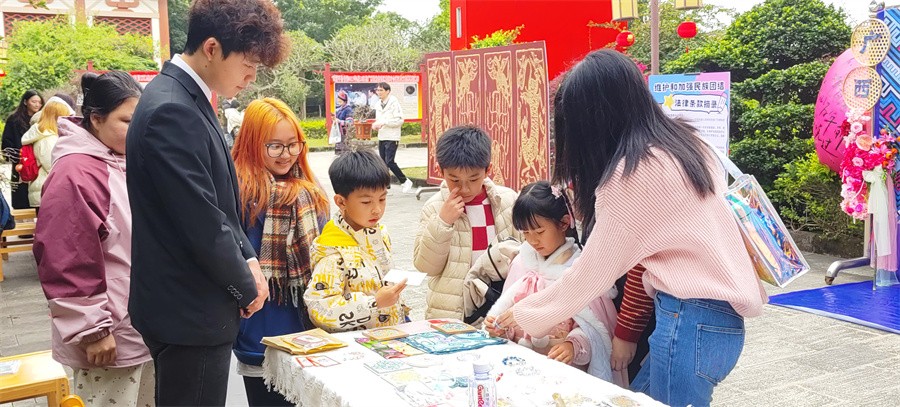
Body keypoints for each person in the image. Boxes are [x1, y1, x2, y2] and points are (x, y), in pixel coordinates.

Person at [494, 49, 766, 406]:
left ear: (592, 122)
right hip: (717, 319)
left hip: (689, 320)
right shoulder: (686, 142)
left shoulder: (632, 176)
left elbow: (592, 273)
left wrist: (527, 313)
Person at [125, 1, 287, 405]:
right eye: (248, 64)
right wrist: (246, 287)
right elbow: (200, 222)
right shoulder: (172, 109)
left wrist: (249, 259)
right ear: (212, 48)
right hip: (189, 312)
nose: (251, 77)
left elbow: (218, 203)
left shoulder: (186, 99)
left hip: (189, 307)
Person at [34, 71, 152, 407]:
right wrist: (92, 331)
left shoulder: (120, 159)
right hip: (108, 337)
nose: (137, 130)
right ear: (96, 119)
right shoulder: (76, 172)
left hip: (138, 326)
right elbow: (64, 257)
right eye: (126, 121)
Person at [231, 98, 329, 406]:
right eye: (274, 146)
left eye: (292, 144)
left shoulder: (310, 190)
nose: (286, 154)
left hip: (308, 331)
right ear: (251, 143)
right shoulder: (239, 191)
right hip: (260, 334)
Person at [483, 181, 627, 386]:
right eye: (525, 233)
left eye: (539, 232)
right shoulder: (522, 263)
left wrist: (573, 345)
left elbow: (594, 327)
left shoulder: (580, 269)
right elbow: (509, 317)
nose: (532, 240)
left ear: (564, 223)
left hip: (565, 373)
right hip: (522, 370)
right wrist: (501, 328)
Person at [413, 125, 520, 320]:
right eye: (454, 180)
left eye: (473, 179)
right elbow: (427, 267)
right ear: (440, 171)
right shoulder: (435, 207)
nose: (465, 188)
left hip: (500, 307)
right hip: (452, 313)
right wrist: (443, 222)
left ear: (488, 170)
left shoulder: (507, 201)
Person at [304, 150, 409, 332]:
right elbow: (319, 308)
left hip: (388, 336)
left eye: (382, 199)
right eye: (366, 202)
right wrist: (374, 303)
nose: (377, 209)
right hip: (357, 343)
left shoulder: (380, 233)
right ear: (341, 202)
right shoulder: (332, 250)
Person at [21, 97, 75, 209]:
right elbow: (53, 166)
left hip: (46, 192)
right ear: (57, 116)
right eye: (66, 116)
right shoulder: (48, 139)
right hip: (48, 193)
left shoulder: (45, 135)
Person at [2, 90, 43, 209]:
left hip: (37, 162)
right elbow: (7, 143)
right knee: (21, 198)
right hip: (21, 162)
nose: (37, 105)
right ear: (25, 102)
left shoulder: (43, 120)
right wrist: (18, 157)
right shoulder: (14, 120)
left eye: (39, 102)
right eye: (34, 101)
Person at [372, 82, 413, 192]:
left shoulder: (394, 103)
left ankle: (405, 181)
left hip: (392, 136)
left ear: (388, 91)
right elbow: (379, 120)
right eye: (377, 90)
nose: (379, 92)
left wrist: (385, 123)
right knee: (383, 163)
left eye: (381, 90)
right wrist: (375, 125)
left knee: (389, 161)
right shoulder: (378, 104)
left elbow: (399, 120)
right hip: (382, 136)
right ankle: (386, 185)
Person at [333, 90, 354, 155]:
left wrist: (340, 121)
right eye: (338, 100)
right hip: (339, 134)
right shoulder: (339, 109)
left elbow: (350, 122)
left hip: (345, 134)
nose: (339, 102)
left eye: (340, 101)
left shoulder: (348, 109)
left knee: (345, 153)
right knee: (339, 153)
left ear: (345, 101)